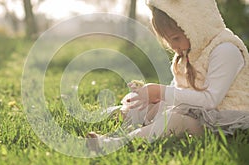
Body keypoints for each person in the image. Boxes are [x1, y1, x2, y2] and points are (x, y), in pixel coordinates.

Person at [87, 0, 249, 151]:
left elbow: (210, 100)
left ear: (197, 27)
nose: (172, 46)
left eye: (176, 38)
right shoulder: (190, 52)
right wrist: (153, 96)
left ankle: (117, 142)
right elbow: (178, 89)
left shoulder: (226, 50)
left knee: (173, 120)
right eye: (167, 40)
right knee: (148, 106)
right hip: (195, 112)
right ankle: (114, 115)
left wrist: (161, 91)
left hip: (221, 120)